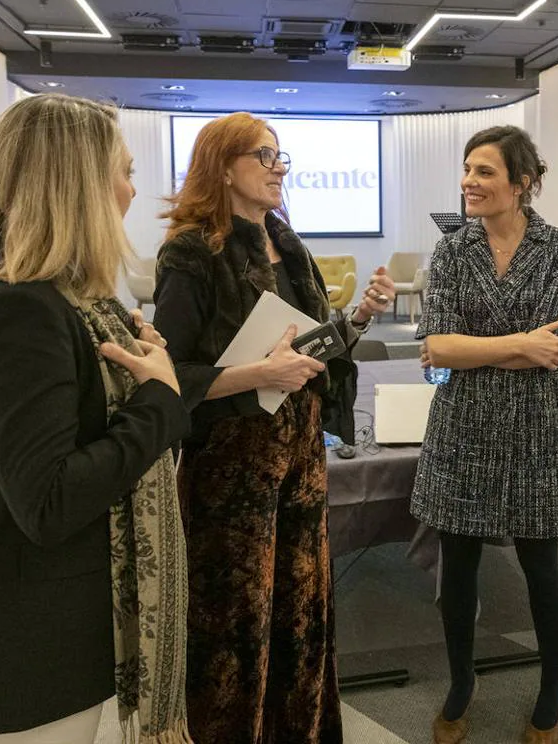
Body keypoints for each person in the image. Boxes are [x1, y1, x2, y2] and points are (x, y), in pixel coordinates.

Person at [0, 94, 192, 744]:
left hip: (35, 622)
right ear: (79, 185)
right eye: (124, 172)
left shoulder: (49, 299)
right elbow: (50, 501)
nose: (131, 192)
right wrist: (158, 405)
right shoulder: (21, 310)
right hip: (18, 636)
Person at [152, 112, 393, 744]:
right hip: (230, 468)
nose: (279, 168)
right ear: (223, 166)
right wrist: (258, 372)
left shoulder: (287, 243)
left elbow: (310, 346)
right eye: (265, 156)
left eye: (282, 157)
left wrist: (360, 317)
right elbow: (169, 374)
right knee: (235, 628)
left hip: (300, 456)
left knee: (301, 614)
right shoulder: (191, 251)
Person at [413, 125, 558, 744]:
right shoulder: (454, 251)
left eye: (484, 172)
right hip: (462, 426)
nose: (469, 183)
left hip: (537, 426)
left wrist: (474, 349)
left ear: (523, 182)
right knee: (457, 562)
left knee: (541, 563)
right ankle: (461, 681)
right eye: (466, 170)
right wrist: (518, 344)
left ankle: (552, 687)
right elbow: (435, 346)